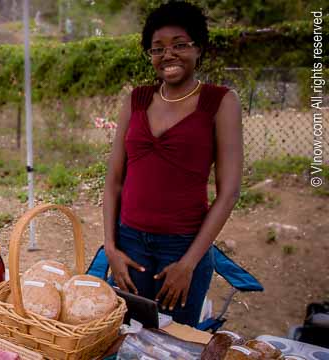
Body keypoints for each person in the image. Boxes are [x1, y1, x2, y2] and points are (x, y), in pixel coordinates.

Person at [102, 1, 243, 327]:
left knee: (174, 343)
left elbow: (229, 192)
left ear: (199, 48)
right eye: (157, 48)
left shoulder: (220, 102)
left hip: (182, 248)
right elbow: (114, 182)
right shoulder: (135, 100)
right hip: (130, 245)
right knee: (126, 335)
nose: (168, 55)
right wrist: (111, 247)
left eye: (180, 45)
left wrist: (189, 263)